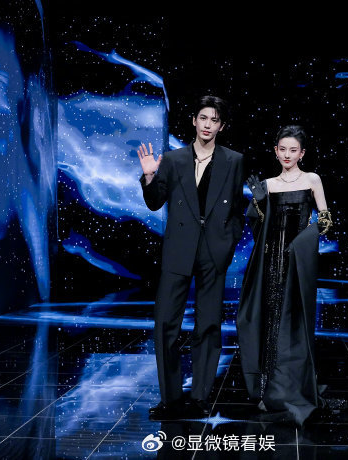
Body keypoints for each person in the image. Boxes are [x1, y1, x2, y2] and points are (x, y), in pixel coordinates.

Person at [138, 95, 245, 420]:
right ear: (194, 121)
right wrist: (149, 176)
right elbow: (155, 202)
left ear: (222, 126)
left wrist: (227, 244)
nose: (208, 125)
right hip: (179, 249)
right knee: (165, 324)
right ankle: (170, 399)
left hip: (213, 251)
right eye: (203, 118)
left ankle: (199, 397)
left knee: (208, 325)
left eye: (215, 120)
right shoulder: (173, 159)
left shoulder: (234, 160)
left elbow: (237, 209)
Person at [237, 125, 333, 426]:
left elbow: (325, 222)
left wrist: (302, 242)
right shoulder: (268, 184)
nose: (287, 155)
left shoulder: (312, 179)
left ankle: (294, 387)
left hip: (298, 263)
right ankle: (270, 390)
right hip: (271, 264)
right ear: (275, 151)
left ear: (302, 153)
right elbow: (259, 228)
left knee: (294, 322)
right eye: (283, 149)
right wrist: (258, 203)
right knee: (271, 322)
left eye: (293, 150)